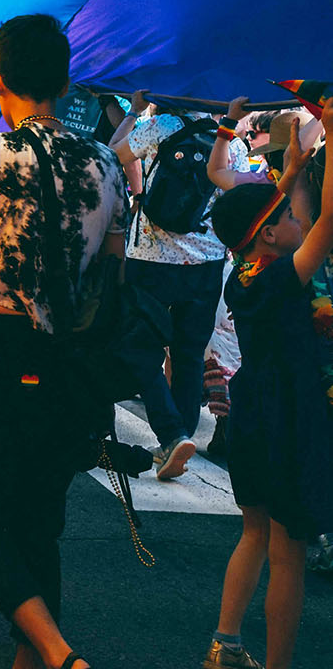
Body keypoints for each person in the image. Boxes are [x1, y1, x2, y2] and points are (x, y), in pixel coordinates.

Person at [0, 14, 129, 669]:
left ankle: (62, 655)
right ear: (65, 83)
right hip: (74, 371)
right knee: (41, 530)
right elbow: (113, 273)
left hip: (4, 365)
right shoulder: (105, 166)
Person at [200, 100, 333, 669]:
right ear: (271, 239)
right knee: (289, 554)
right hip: (290, 416)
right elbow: (328, 220)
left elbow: (279, 214)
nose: (297, 221)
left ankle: (225, 642)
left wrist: (295, 171)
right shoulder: (283, 279)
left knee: (254, 533)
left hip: (253, 409)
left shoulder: (246, 276)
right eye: (287, 219)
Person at [110, 89, 249, 479]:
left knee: (140, 349)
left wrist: (133, 113)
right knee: (188, 356)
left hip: (150, 260)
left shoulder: (158, 126)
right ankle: (182, 435)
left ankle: (172, 435)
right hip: (205, 261)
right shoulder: (230, 140)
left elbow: (113, 154)